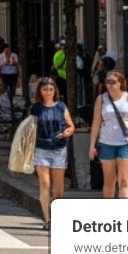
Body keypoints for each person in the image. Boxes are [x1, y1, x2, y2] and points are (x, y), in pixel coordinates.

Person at [88, 70, 128, 198]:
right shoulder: (101, 99)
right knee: (109, 182)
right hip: (106, 143)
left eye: (113, 82)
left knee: (124, 181)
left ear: (120, 83)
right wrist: (92, 145)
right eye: (108, 82)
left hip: (126, 143)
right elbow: (96, 123)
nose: (110, 85)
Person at [30, 77, 75, 228]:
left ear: (55, 90)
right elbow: (30, 127)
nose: (48, 92)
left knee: (58, 188)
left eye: (50, 89)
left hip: (58, 148)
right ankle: (47, 219)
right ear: (40, 91)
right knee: (44, 183)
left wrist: (67, 132)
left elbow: (70, 125)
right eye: (45, 90)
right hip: (41, 147)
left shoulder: (61, 107)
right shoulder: (36, 108)